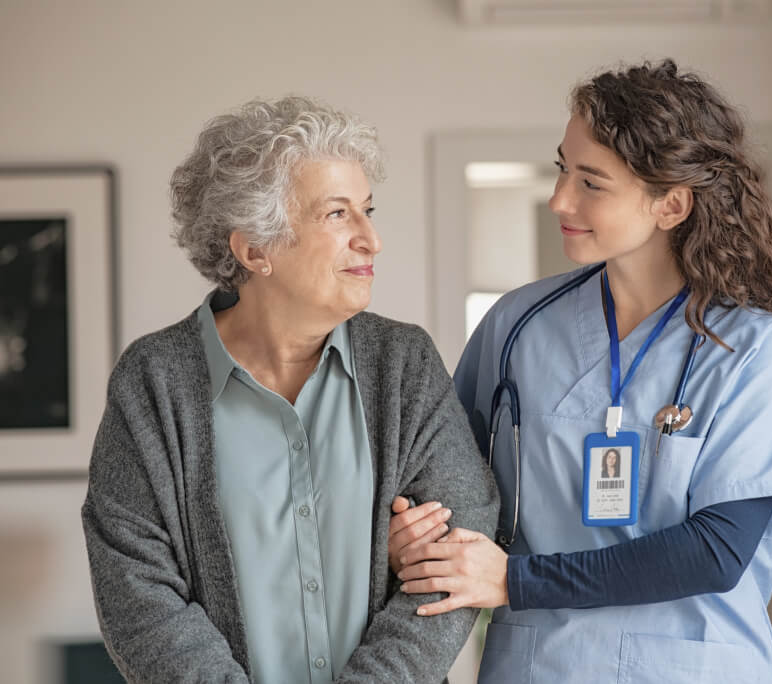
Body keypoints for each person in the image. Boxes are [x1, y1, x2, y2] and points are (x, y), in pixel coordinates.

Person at [390, 59, 772, 683]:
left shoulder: (752, 349)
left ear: (670, 204)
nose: (559, 198)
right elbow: (443, 484)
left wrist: (513, 580)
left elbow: (717, 551)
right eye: (564, 168)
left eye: (592, 182)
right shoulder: (517, 325)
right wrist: (415, 537)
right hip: (538, 666)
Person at [81, 96, 498, 684]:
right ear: (254, 248)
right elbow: (139, 596)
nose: (371, 239)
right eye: (337, 214)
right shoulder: (153, 382)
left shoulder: (403, 364)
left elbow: (460, 550)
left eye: (367, 210)